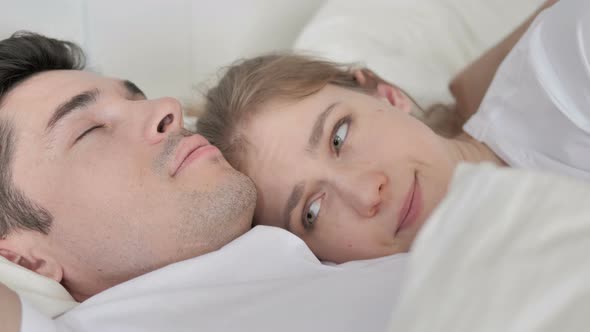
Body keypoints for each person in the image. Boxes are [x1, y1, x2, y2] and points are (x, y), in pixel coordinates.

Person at [0, 32, 410, 332]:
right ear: (25, 259)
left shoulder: (339, 219)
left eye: (136, 96)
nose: (167, 107)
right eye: (88, 131)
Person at [197, 0, 588, 263]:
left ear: (387, 94)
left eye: (339, 137)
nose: (366, 193)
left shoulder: (566, 65)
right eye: (312, 212)